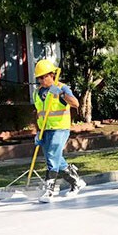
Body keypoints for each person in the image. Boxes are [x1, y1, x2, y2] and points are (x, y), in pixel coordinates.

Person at [33, 59, 86, 203]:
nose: (42, 80)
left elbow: (75, 103)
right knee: (56, 159)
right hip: (45, 129)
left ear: (52, 75)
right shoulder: (37, 93)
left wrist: (61, 94)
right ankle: (76, 181)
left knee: (51, 156)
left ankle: (49, 191)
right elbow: (38, 113)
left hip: (60, 128)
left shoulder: (61, 87)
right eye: (39, 77)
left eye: (45, 76)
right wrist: (37, 132)